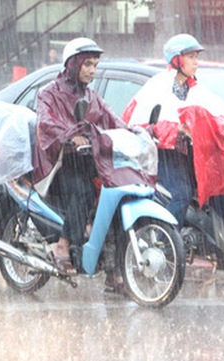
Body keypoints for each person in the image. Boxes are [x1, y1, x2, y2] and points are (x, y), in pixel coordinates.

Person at [121, 33, 224, 275]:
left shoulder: (193, 89)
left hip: (190, 153)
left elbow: (214, 112)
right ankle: (166, 249)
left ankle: (220, 251)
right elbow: (138, 123)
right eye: (191, 57)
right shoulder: (159, 86)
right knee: (180, 194)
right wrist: (175, 130)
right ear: (177, 59)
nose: (196, 62)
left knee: (219, 191)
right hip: (164, 153)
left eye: (196, 57)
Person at [33, 37, 144, 290]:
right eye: (87, 65)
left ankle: (114, 268)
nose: (92, 70)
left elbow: (111, 119)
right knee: (83, 191)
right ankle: (63, 244)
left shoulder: (92, 96)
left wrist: (136, 133)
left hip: (90, 161)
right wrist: (70, 135)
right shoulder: (48, 93)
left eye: (95, 65)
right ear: (73, 64)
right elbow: (46, 123)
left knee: (117, 195)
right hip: (59, 164)